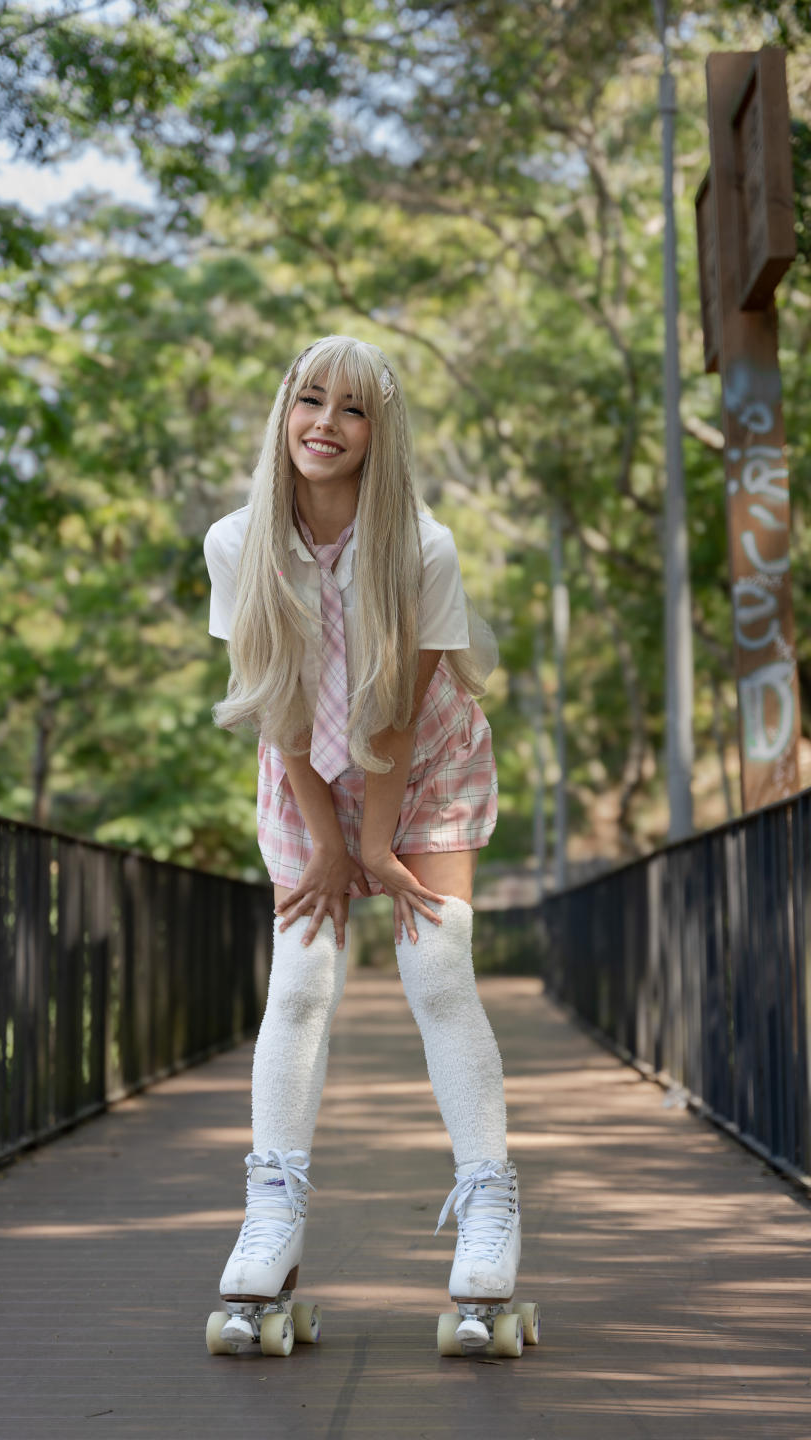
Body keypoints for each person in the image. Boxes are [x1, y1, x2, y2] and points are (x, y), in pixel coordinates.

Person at [203, 334, 520, 1351]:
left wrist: (376, 844)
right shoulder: (235, 542)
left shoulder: (422, 547)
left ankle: (488, 1202)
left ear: (381, 433)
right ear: (283, 412)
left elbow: (396, 712)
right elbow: (275, 703)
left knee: (439, 971)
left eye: (352, 409)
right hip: (303, 766)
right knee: (300, 980)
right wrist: (329, 845)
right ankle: (272, 1211)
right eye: (310, 400)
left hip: (423, 761)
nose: (325, 425)